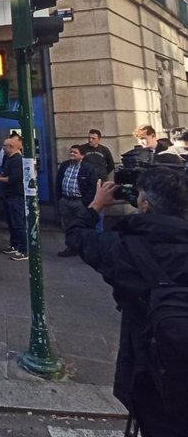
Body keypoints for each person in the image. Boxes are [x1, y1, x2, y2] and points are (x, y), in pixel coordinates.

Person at [65, 168, 188, 435]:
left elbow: (76, 236)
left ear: (145, 204)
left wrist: (96, 205)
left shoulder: (124, 248)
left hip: (150, 369)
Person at [54, 145, 98, 257]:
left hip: (80, 202)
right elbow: (58, 182)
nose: (72, 154)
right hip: (65, 201)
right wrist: (59, 199)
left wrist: (85, 202)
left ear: (82, 156)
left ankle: (87, 250)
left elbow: (93, 186)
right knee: (68, 227)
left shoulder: (88, 168)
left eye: (75, 152)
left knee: (84, 226)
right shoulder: (64, 165)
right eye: (71, 152)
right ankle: (71, 248)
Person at [0, 138, 27, 261]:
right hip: (9, 195)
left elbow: (12, 179)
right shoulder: (8, 159)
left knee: (18, 223)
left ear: (11, 147)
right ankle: (14, 245)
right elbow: (5, 174)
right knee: (11, 223)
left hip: (16, 195)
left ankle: (23, 250)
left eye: (4, 145)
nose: (3, 147)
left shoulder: (17, 161)